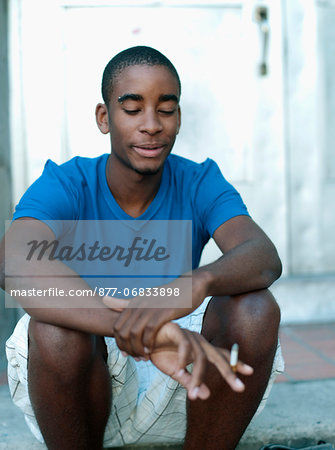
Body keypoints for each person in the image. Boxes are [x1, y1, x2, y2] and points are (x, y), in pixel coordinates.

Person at [1, 46, 284, 450]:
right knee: (53, 327)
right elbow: (13, 263)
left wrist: (193, 284)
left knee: (256, 308)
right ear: (105, 118)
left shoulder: (199, 181)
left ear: (179, 117)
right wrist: (139, 328)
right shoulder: (67, 183)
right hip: (85, 392)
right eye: (132, 109)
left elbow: (261, 255)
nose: (151, 125)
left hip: (185, 385)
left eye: (166, 109)